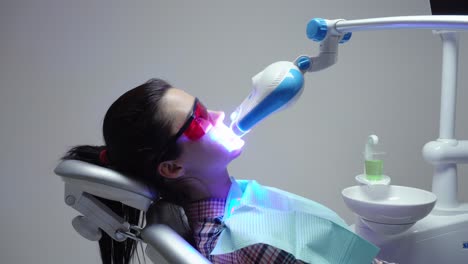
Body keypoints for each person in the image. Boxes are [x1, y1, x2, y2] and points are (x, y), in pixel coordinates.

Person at [61, 79, 389, 264]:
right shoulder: (238, 244)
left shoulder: (238, 202)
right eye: (199, 119)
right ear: (173, 167)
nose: (218, 115)